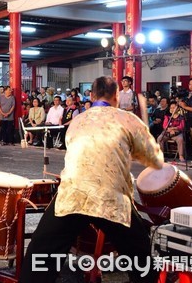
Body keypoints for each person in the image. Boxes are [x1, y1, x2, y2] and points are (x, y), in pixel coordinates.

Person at [20, 76, 163, 283]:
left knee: (40, 253)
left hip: (73, 194)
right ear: (116, 96)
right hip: (111, 198)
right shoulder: (128, 119)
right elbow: (155, 160)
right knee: (140, 254)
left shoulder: (77, 121)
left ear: (92, 95)